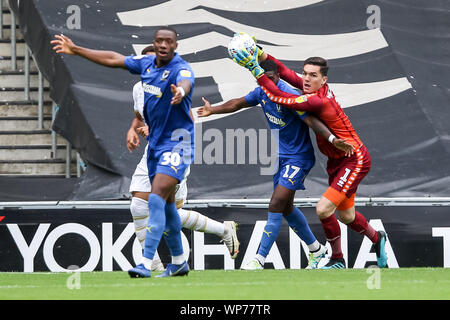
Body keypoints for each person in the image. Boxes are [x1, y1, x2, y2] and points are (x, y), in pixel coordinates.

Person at [51, 27, 195, 277]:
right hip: (156, 146)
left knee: (155, 197)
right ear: (154, 43)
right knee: (169, 206)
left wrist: (181, 91)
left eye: (168, 41)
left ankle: (146, 262)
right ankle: (180, 261)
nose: (163, 45)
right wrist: (76, 50)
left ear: (175, 45)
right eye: (159, 40)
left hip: (177, 144)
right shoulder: (147, 64)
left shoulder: (180, 68)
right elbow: (114, 58)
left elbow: (186, 81)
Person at [231, 43, 388, 269]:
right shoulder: (311, 88)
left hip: (354, 159)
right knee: (346, 216)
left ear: (323, 80)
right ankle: (377, 238)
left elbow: (277, 96)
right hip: (338, 161)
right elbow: (283, 71)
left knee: (323, 209)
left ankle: (336, 259)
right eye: (304, 73)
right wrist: (257, 50)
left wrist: (254, 69)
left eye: (312, 75)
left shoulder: (316, 100)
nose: (305, 78)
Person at [197, 59, 354, 270]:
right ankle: (317, 250)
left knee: (275, 204)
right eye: (262, 79)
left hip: (299, 158)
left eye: (271, 78)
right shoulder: (261, 91)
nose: (266, 83)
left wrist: (333, 139)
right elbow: (238, 103)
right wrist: (212, 110)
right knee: (287, 209)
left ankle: (258, 260)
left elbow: (311, 121)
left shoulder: (288, 95)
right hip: (281, 158)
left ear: (278, 77)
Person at [127, 45, 239, 272]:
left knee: (169, 211)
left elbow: (187, 118)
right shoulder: (139, 88)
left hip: (175, 150)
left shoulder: (172, 86)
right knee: (139, 205)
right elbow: (139, 115)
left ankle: (218, 234)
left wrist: (156, 128)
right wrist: (133, 129)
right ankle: (155, 265)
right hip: (154, 150)